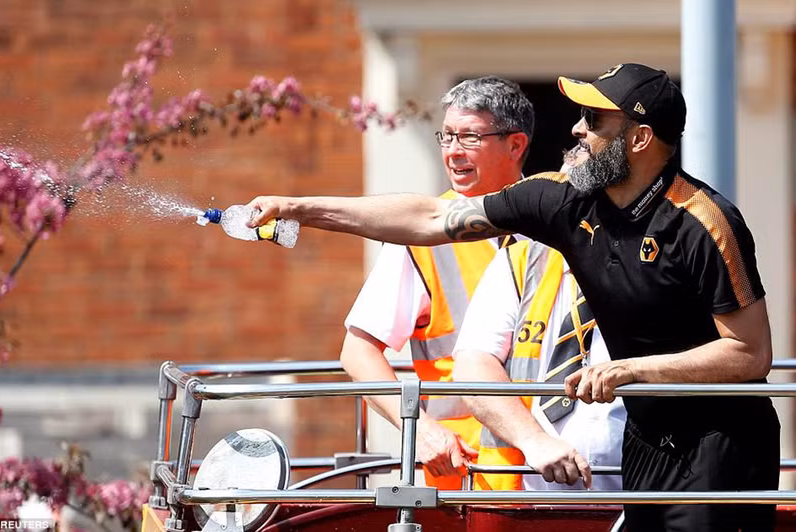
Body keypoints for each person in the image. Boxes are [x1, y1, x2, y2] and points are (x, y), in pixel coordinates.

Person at [246, 63, 780, 531]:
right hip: (644, 437)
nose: (575, 128)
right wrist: (299, 208)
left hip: (720, 441)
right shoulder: (564, 200)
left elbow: (749, 354)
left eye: (594, 121)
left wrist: (631, 371)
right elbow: (434, 217)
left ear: (639, 139)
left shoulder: (704, 222)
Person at [338, 76, 533, 489]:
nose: (452, 152)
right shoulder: (422, 239)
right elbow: (358, 353)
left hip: (560, 476)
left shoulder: (558, 223)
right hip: (469, 479)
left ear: (515, 145)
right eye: (446, 137)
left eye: (469, 137)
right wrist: (421, 429)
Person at [451, 234, 626, 491]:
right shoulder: (520, 261)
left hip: (642, 494)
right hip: (528, 495)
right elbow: (472, 365)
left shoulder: (664, 259)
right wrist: (533, 439)